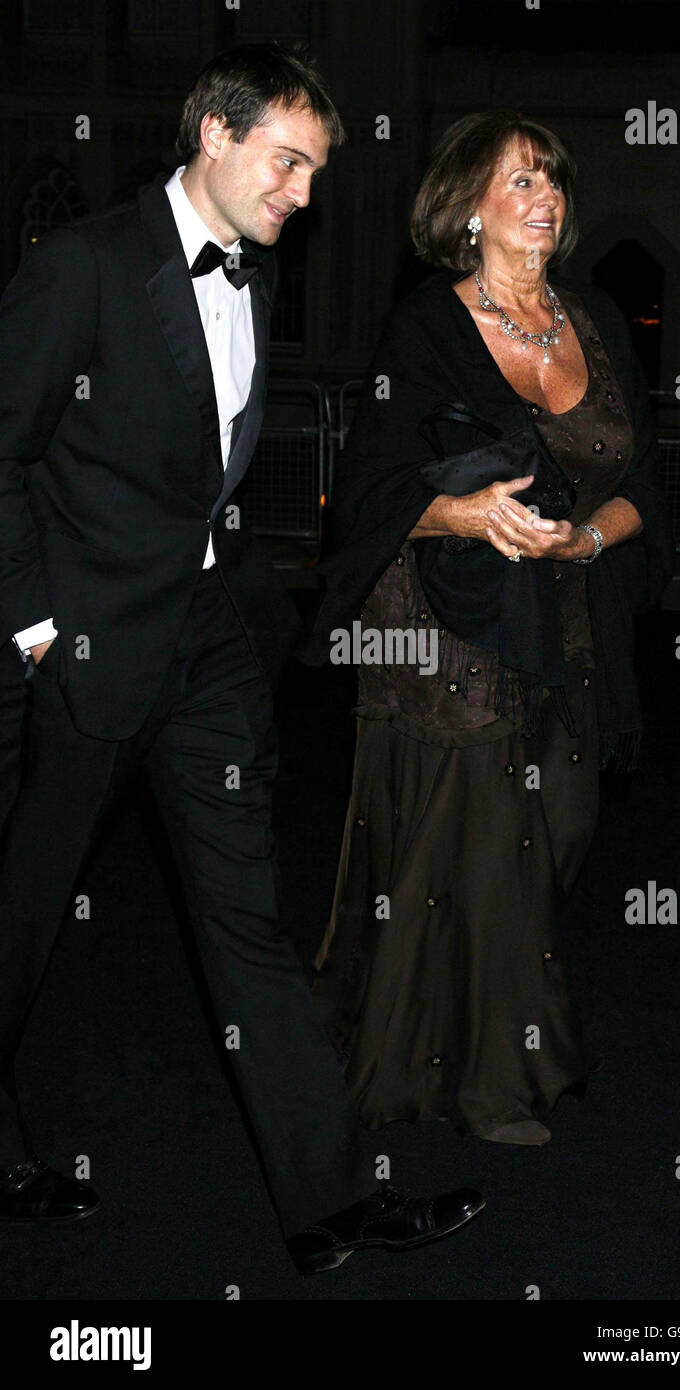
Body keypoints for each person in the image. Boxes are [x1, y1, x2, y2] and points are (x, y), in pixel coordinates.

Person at [0, 44, 484, 1275]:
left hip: (208, 657)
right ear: (213, 134)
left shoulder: (251, 278)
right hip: (84, 662)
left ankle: (328, 1202)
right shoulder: (84, 267)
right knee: (20, 925)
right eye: (290, 161)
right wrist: (39, 629)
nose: (305, 195)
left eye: (316, 170)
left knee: (249, 924)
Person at [301, 112, 674, 1146]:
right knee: (481, 849)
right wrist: (468, 514)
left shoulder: (591, 318)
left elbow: (643, 479)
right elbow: (372, 490)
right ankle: (492, 1080)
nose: (544, 197)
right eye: (519, 182)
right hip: (451, 629)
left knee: (562, 825)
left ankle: (467, 1031)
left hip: (570, 621)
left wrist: (589, 541)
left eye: (552, 179)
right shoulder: (427, 327)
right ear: (468, 208)